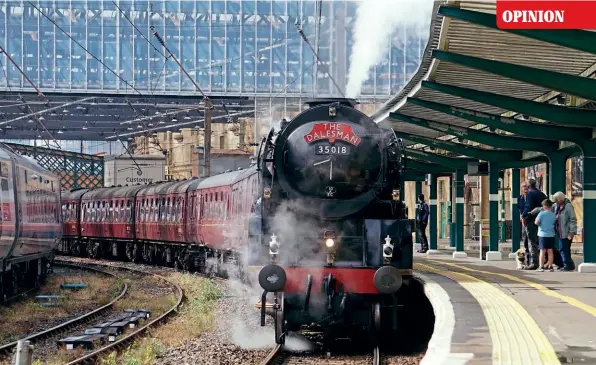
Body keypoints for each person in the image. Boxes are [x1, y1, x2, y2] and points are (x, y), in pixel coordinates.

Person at [521, 179, 547, 270]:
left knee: (532, 242)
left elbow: (528, 206)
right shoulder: (541, 194)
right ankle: (545, 262)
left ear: (528, 185)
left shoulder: (530, 194)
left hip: (532, 220)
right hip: (542, 220)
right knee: (542, 241)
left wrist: (523, 216)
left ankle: (534, 262)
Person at [552, 191, 577, 271]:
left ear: (560, 199)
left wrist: (572, 232)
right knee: (564, 249)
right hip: (559, 232)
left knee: (564, 249)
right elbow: (546, 208)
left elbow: (573, 219)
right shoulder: (556, 206)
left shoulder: (568, 206)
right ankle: (569, 265)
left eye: (556, 200)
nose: (555, 202)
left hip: (566, 232)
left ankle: (567, 266)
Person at [535, 199, 556, 272]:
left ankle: (541, 266)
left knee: (542, 251)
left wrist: (540, 224)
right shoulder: (553, 214)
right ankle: (550, 266)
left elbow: (536, 222)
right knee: (550, 251)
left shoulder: (541, 213)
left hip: (542, 234)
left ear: (544, 206)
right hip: (551, 234)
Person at [518, 182, 530, 264]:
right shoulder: (520, 198)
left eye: (526, 186)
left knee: (532, 241)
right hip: (524, 221)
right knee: (525, 239)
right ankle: (526, 260)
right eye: (523, 186)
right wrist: (521, 217)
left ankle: (533, 260)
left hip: (532, 221)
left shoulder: (531, 197)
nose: (525, 188)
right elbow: (519, 208)